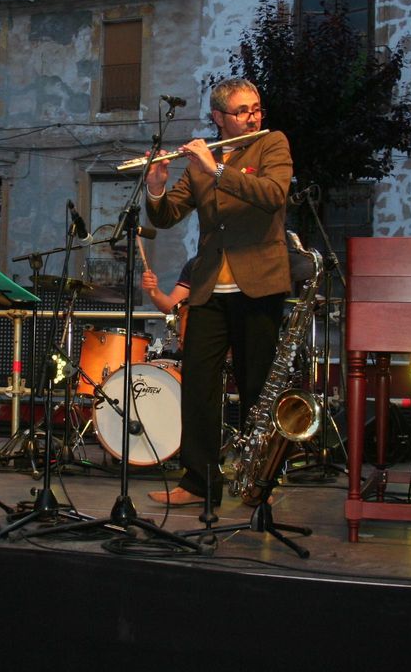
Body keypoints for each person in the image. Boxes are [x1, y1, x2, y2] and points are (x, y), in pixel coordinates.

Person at [144, 77, 295, 506]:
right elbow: (170, 214)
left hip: (259, 281)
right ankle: (199, 482)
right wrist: (156, 186)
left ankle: (258, 483)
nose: (253, 116)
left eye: (256, 107)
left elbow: (272, 195)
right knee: (198, 383)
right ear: (219, 117)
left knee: (256, 386)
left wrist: (219, 169)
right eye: (243, 111)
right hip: (210, 285)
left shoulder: (272, 144)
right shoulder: (200, 160)